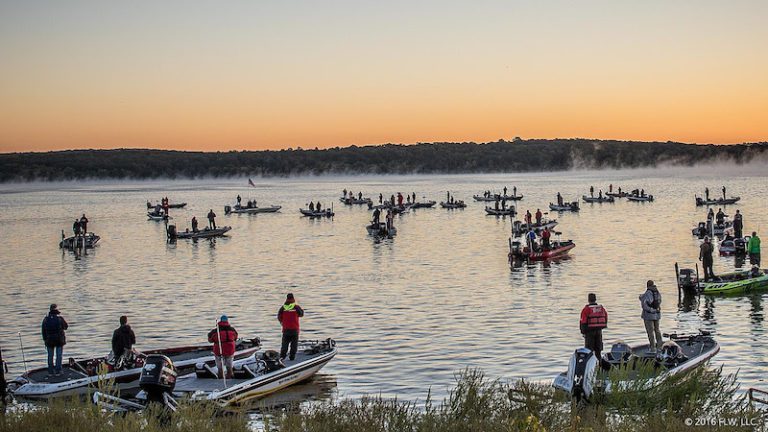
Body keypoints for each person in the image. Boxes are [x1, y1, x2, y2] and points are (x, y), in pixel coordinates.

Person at [41, 304, 68, 376]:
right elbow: (66, 327)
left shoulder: (45, 319)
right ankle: (58, 371)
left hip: (49, 340)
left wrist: (45, 340)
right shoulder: (60, 319)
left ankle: (50, 372)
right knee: (59, 356)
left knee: (50, 356)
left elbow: (43, 331)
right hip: (59, 340)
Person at [579, 293, 607, 358]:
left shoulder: (586, 309)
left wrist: (583, 332)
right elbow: (605, 318)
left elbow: (583, 321)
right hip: (599, 331)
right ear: (595, 299)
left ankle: (590, 366)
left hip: (589, 332)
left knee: (589, 351)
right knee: (598, 351)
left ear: (588, 300)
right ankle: (599, 365)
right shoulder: (601, 308)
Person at [277, 294, 304, 361]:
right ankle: (292, 357)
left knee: (284, 345)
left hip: (286, 329)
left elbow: (279, 316)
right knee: (294, 345)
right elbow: (301, 314)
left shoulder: (283, 307)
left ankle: (282, 357)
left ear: (286, 299)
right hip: (294, 330)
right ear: (293, 299)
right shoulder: (296, 307)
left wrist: (282, 322)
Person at [639, 280, 662, 352]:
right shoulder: (657, 292)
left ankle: (653, 347)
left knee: (650, 331)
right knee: (657, 330)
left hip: (649, 316)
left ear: (647, 285)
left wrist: (641, 298)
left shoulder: (647, 293)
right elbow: (659, 302)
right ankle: (660, 346)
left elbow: (644, 305)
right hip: (657, 315)